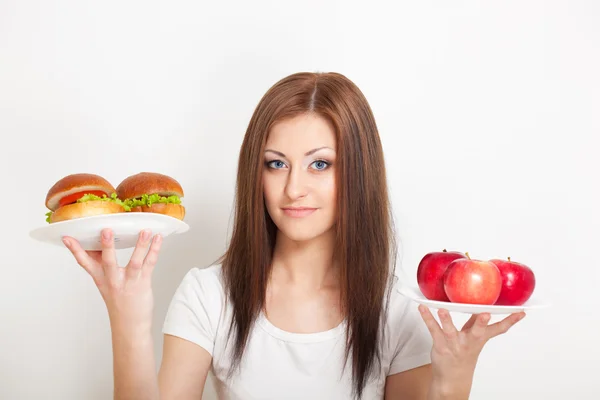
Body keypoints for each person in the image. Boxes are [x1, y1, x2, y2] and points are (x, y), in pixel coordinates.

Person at [62, 72, 526, 400]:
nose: (293, 188)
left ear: (358, 175)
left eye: (320, 163)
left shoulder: (400, 312)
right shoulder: (208, 295)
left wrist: (455, 378)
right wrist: (127, 319)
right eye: (276, 163)